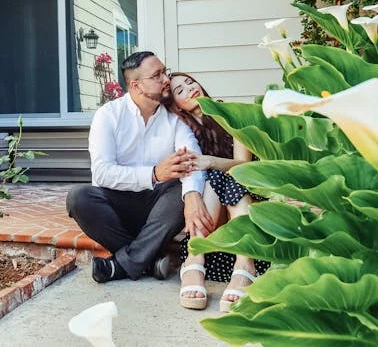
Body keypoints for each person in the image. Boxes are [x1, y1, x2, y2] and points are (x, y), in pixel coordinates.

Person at [66, 52, 214, 286]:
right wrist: (154, 173)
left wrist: (194, 196)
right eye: (157, 75)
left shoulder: (174, 119)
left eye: (165, 71)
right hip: (119, 206)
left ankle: (120, 265)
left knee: (181, 188)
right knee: (79, 198)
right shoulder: (108, 115)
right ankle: (149, 258)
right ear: (136, 85)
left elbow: (191, 161)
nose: (166, 79)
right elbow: (102, 173)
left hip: (160, 208)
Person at [164, 72, 270, 312]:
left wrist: (211, 161)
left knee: (226, 175)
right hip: (214, 224)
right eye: (179, 90)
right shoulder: (183, 131)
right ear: (175, 105)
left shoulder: (228, 114)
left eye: (190, 82)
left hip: (248, 200)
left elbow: (245, 167)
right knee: (212, 178)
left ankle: (242, 262)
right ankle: (198, 257)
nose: (190, 88)